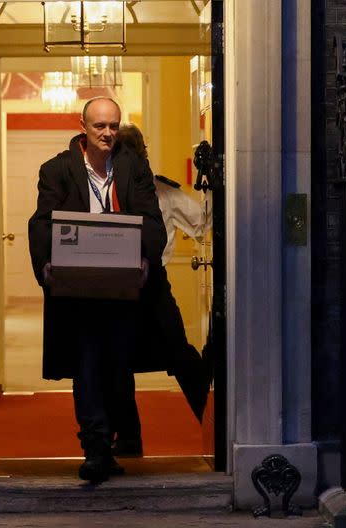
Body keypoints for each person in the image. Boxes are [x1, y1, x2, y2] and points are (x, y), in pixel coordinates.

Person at [27, 97, 167, 483]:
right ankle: (94, 449)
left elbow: (152, 221)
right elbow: (42, 222)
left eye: (113, 126)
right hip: (78, 293)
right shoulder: (56, 170)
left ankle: (109, 446)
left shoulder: (133, 167)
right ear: (83, 127)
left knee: (119, 369)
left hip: (123, 291)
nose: (107, 133)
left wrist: (145, 260)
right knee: (87, 367)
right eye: (100, 126)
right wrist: (46, 266)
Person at [111, 123, 213, 458]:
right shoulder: (134, 192)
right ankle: (210, 420)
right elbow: (202, 222)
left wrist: (210, 181)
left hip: (142, 286)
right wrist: (211, 187)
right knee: (168, 356)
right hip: (143, 287)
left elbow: (201, 224)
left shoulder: (160, 192)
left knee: (124, 362)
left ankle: (129, 439)